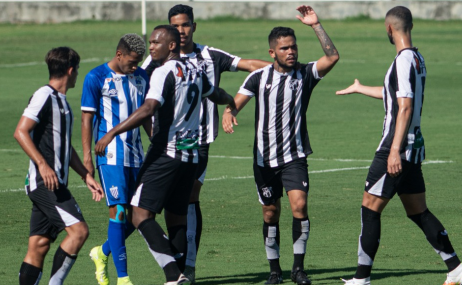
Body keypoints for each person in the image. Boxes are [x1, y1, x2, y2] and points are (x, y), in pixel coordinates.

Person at [336, 6, 462, 285]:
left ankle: (360, 279)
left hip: (396, 147)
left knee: (370, 207)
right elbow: (395, 96)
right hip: (415, 147)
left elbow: (405, 107)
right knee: (417, 210)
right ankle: (456, 269)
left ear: (389, 28)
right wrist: (361, 88)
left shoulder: (402, 60)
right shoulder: (417, 58)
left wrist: (395, 149)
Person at [95, 25, 236, 285]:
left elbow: (149, 107)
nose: (150, 47)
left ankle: (172, 274)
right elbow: (214, 93)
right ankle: (182, 274)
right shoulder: (195, 70)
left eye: (155, 42)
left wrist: (111, 132)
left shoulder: (163, 72)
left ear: (171, 46)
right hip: (191, 157)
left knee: (139, 214)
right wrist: (230, 101)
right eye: (149, 43)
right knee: (176, 215)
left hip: (166, 153)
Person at [141, 5, 270, 282]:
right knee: (159, 205)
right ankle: (174, 265)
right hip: (164, 145)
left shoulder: (210, 56)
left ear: (194, 26)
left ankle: (186, 265)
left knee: (187, 200)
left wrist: (280, 68)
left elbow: (248, 65)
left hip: (199, 144)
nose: (182, 30)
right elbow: (143, 102)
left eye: (186, 25)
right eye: (176, 26)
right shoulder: (155, 62)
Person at [222, 5, 339, 285]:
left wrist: (316, 25)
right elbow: (235, 104)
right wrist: (228, 113)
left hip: (294, 156)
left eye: (293, 47)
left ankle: (298, 268)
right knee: (270, 212)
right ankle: (274, 270)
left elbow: (332, 56)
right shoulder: (258, 77)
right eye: (285, 48)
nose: (291, 52)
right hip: (264, 160)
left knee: (299, 206)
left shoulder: (306, 74)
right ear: (272, 53)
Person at [14, 47, 104, 285]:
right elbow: (20, 132)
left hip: (53, 182)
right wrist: (42, 165)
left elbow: (65, 146)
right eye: (77, 72)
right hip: (46, 183)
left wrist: (86, 176)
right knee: (79, 231)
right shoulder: (44, 95)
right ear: (71, 71)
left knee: (39, 244)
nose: (77, 76)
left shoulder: (61, 101)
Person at [81, 33, 150, 285]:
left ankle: (102, 252)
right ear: (119, 55)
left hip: (137, 155)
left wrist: (158, 145)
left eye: (139, 61)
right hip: (109, 155)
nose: (136, 65)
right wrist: (87, 159)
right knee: (119, 211)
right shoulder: (96, 77)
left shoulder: (142, 76)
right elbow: (86, 119)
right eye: (132, 61)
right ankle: (124, 278)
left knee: (141, 216)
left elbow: (146, 116)